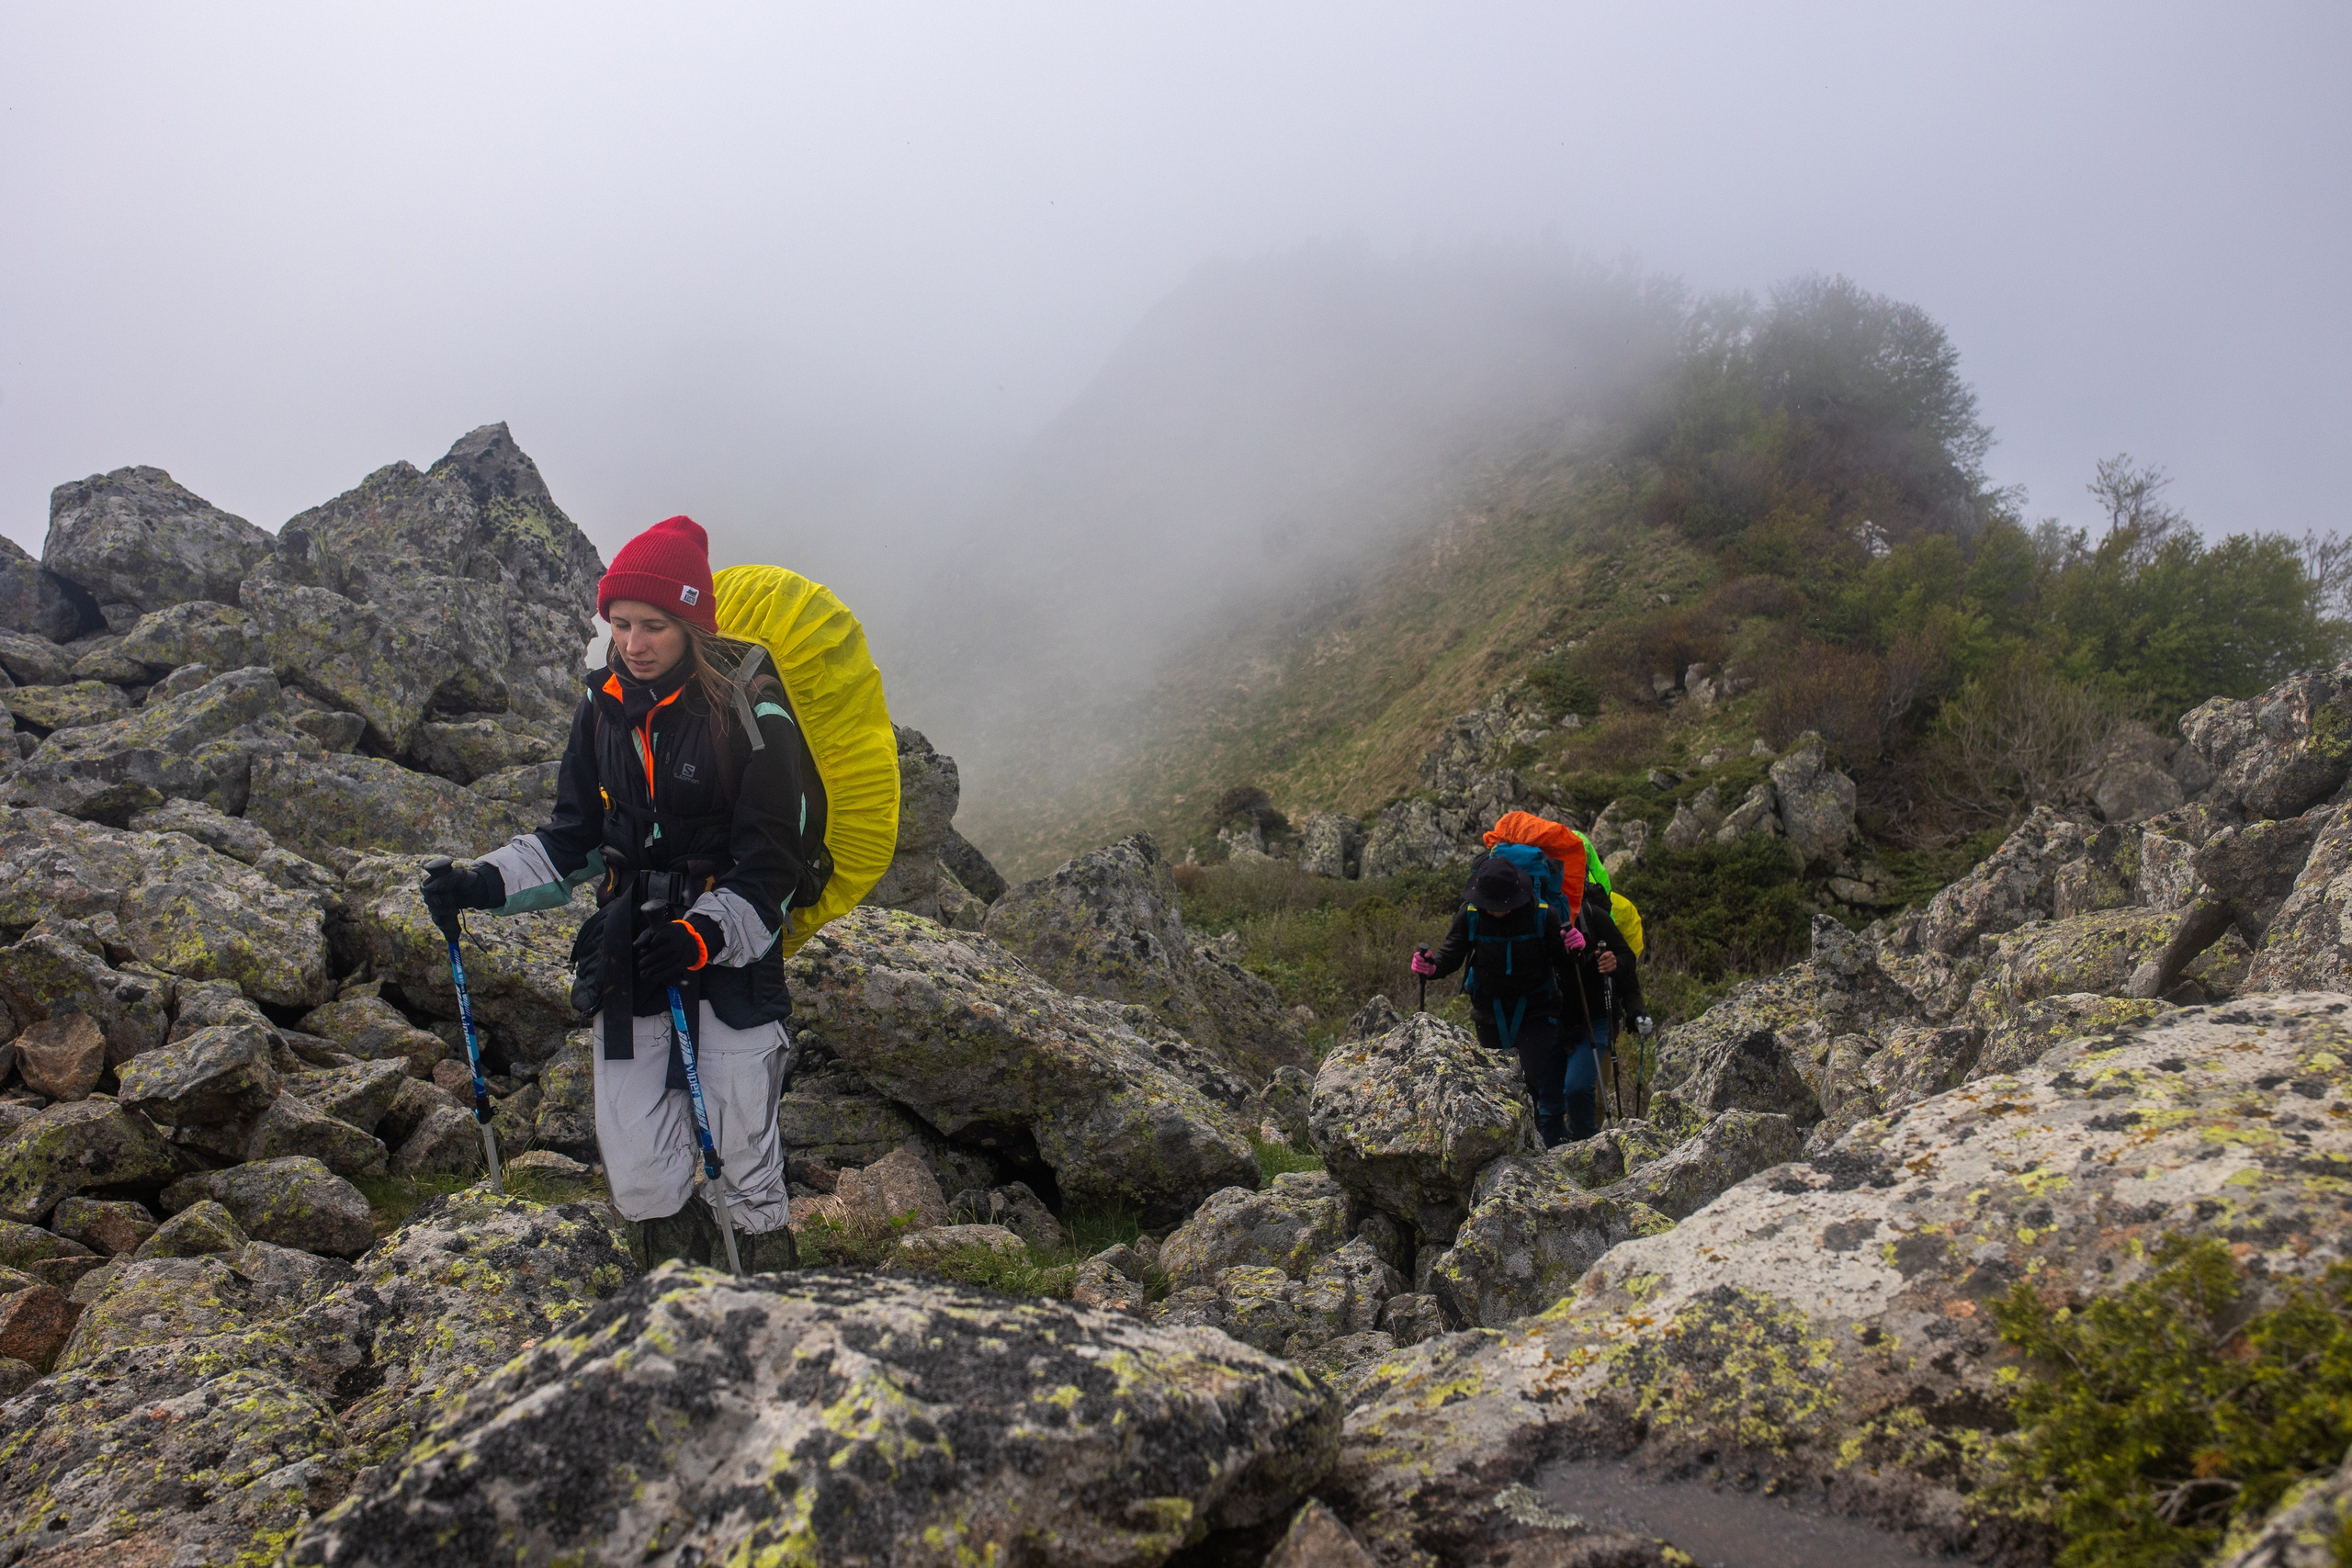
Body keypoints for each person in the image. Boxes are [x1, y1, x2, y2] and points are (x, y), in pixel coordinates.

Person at [421, 514, 816, 1270]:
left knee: (741, 1146)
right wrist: (481, 881)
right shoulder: (600, 708)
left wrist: (699, 935)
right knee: (637, 1159)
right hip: (630, 948)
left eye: (654, 625)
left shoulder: (751, 711)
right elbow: (572, 838)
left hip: (731, 958)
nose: (633, 643)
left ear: (691, 625)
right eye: (621, 623)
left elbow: (773, 864)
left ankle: (764, 1291)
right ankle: (672, 1293)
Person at [1412, 854, 1639, 1145]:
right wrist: (1432, 968)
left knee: (1529, 1084)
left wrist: (1578, 951)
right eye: (1490, 905)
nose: (1496, 911)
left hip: (1537, 1012)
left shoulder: (1542, 914)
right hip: (1490, 1013)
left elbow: (1568, 966)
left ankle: (1536, 1150)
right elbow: (1451, 954)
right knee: (1496, 1086)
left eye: (1501, 905)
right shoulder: (1470, 915)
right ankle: (1516, 1148)